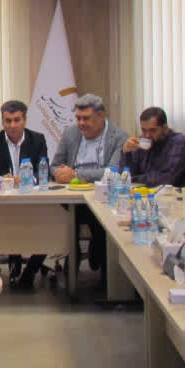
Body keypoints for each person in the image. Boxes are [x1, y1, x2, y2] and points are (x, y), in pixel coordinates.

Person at [50, 94, 129, 273]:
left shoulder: (119, 137)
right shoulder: (70, 133)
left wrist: (75, 174)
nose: (81, 123)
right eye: (78, 118)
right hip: (70, 197)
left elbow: (113, 172)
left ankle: (104, 271)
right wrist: (58, 173)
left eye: (86, 118)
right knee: (60, 220)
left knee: (101, 224)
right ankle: (73, 257)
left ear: (101, 116)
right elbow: (54, 165)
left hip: (103, 198)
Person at [0, 100, 50, 284]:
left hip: (31, 201)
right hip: (1, 202)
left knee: (50, 225)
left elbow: (44, 170)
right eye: (8, 121)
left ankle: (31, 270)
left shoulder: (38, 139)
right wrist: (2, 180)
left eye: (17, 120)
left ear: (24, 120)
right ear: (2, 122)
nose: (12, 125)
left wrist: (27, 180)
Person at [120, 106, 185, 187]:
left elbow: (166, 179)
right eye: (144, 130)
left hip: (177, 193)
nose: (147, 135)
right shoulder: (144, 141)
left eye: (153, 130)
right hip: (147, 192)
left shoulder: (179, 142)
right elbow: (125, 177)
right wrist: (127, 154)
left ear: (165, 128)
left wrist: (134, 179)